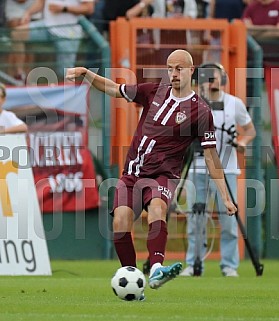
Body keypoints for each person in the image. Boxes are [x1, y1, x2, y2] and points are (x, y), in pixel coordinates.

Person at [66, 50, 237, 298]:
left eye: (179, 68)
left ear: (191, 71)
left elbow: (211, 156)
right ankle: (133, 277)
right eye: (170, 68)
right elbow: (115, 89)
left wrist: (225, 197)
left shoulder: (201, 112)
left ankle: (157, 269)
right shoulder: (153, 91)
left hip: (163, 175)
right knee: (120, 221)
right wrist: (85, 73)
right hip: (133, 173)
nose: (174, 73)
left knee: (157, 208)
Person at [180, 62, 256, 277]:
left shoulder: (234, 103)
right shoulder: (193, 104)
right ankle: (194, 263)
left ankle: (229, 265)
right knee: (196, 218)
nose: (210, 82)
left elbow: (250, 129)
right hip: (198, 168)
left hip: (227, 168)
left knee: (229, 218)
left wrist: (242, 142)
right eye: (205, 78)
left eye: (213, 77)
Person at [11, 0, 95, 81]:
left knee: (66, 75)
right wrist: (28, 13)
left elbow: (89, 8)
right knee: (17, 34)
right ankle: (20, 75)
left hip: (68, 34)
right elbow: (41, 2)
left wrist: (64, 8)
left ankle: (68, 93)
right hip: (47, 26)